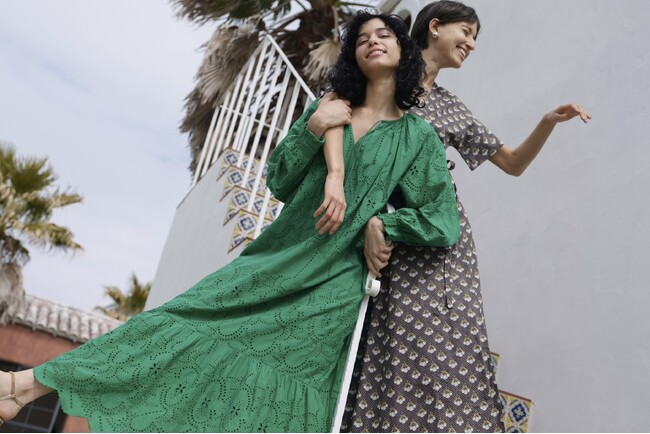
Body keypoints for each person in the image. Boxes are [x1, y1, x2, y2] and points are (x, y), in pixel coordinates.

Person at [0, 12, 462, 433]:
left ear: (403, 49)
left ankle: (20, 387)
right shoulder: (327, 109)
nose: (372, 41)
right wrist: (313, 127)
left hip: (332, 285)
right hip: (278, 255)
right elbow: (280, 180)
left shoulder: (416, 137)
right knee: (177, 321)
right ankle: (27, 385)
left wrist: (383, 225)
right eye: (361, 39)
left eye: (384, 35)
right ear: (352, 57)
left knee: (286, 389)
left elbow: (441, 221)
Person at [313, 2, 591, 432]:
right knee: (378, 347)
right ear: (435, 27)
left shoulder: (449, 106)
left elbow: (513, 163)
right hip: (365, 233)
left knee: (440, 348)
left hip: (434, 241)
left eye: (475, 37)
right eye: (467, 31)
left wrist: (547, 122)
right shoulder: (379, 77)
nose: (472, 44)